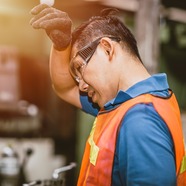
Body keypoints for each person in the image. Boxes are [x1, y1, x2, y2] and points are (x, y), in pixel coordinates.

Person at [30, 4, 186, 186]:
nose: (80, 85)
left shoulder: (140, 121)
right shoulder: (122, 106)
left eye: (80, 67)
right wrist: (61, 46)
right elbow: (64, 88)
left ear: (106, 48)